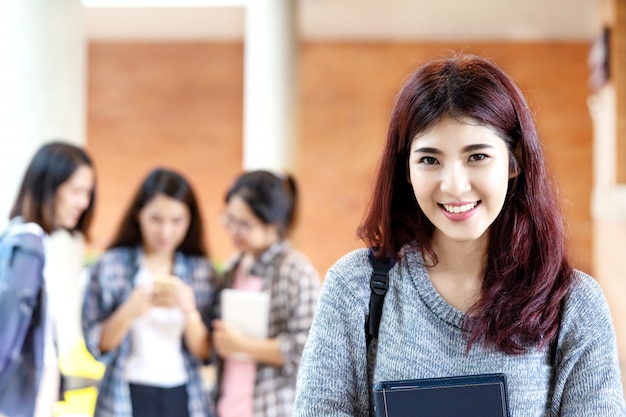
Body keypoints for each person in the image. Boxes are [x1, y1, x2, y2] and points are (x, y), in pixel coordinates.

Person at [292, 54, 626, 416]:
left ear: (514, 162)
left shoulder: (572, 303)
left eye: (477, 156)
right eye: (430, 160)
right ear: (406, 169)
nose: (454, 185)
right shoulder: (355, 286)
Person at [82, 167, 217, 417]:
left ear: (190, 220)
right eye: (156, 219)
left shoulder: (202, 271)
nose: (166, 232)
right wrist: (130, 310)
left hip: (183, 394)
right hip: (126, 392)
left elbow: (207, 353)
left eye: (177, 221)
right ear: (138, 214)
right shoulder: (112, 265)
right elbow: (96, 346)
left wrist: (189, 313)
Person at [212, 170, 320, 417]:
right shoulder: (232, 267)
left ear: (273, 224)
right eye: (229, 219)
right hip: (227, 406)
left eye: (245, 224)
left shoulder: (296, 270)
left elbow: (311, 350)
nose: (233, 231)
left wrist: (242, 345)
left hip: (272, 408)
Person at [0, 141, 96, 417]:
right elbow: (5, 333)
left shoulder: (24, 238)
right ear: (48, 186)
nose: (83, 203)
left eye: (87, 193)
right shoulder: (29, 245)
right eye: (76, 191)